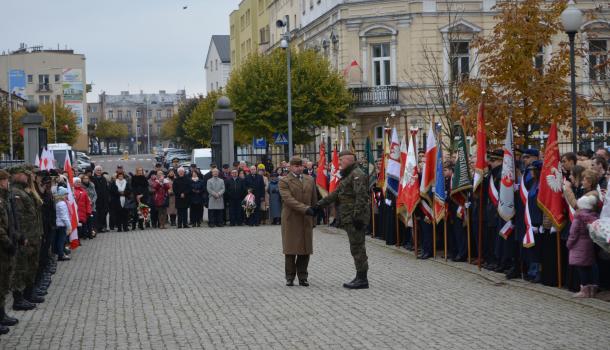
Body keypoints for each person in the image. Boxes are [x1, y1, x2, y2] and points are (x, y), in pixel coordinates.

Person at [316, 151, 370, 289]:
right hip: (348, 217)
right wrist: (318, 206)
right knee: (355, 247)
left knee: (358, 247)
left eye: (341, 160)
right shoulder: (347, 175)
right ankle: (359, 276)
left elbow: (361, 197)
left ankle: (362, 279)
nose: (338, 163)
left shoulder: (357, 174)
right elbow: (335, 194)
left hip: (355, 217)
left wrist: (358, 217)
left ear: (349, 160)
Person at [9, 166, 44, 309]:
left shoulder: (25, 191)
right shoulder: (16, 193)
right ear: (15, 175)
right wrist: (23, 237)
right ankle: (18, 299)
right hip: (25, 239)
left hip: (33, 236)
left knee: (31, 267)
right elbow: (19, 219)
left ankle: (29, 294)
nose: (27, 177)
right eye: (24, 174)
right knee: (21, 269)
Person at [279, 157, 317, 286]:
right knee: (291, 250)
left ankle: (303, 276)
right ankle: (290, 277)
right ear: (289, 167)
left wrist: (314, 217)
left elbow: (314, 199)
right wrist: (306, 209)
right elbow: (288, 200)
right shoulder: (284, 181)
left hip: (306, 219)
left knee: (305, 249)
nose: (299, 168)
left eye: (300, 166)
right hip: (291, 219)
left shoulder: (310, 179)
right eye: (295, 166)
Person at [568, 195, 600, 298]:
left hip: (578, 245)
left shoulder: (578, 218)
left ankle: (584, 290)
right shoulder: (593, 216)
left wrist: (569, 244)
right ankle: (591, 290)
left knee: (581, 268)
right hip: (589, 244)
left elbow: (573, 233)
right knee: (588, 267)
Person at [0, 169, 19, 333]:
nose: (8, 183)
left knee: (5, 282)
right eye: (6, 180)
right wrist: (8, 243)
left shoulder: (4, 199)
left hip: (7, 246)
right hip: (3, 247)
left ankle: (2, 315)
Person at [53, 187, 71, 261]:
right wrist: (69, 226)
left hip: (58, 224)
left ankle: (60, 252)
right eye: (66, 194)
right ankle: (61, 255)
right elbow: (64, 216)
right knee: (61, 240)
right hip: (61, 224)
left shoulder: (57, 202)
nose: (67, 196)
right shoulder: (62, 203)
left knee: (59, 240)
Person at [91, 166, 109, 233]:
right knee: (97, 214)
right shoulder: (93, 179)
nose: (99, 171)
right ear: (95, 171)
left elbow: (106, 189)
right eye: (98, 170)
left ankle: (102, 227)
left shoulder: (103, 179)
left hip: (104, 200)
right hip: (97, 200)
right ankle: (97, 228)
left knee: (103, 214)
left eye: (100, 170)